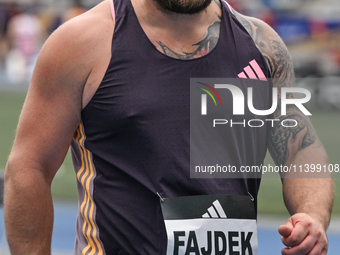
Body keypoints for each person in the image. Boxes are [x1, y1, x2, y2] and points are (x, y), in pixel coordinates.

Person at [4, 0, 334, 254]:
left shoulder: (261, 46)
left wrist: (312, 217)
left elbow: (299, 149)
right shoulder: (83, 42)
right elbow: (29, 167)